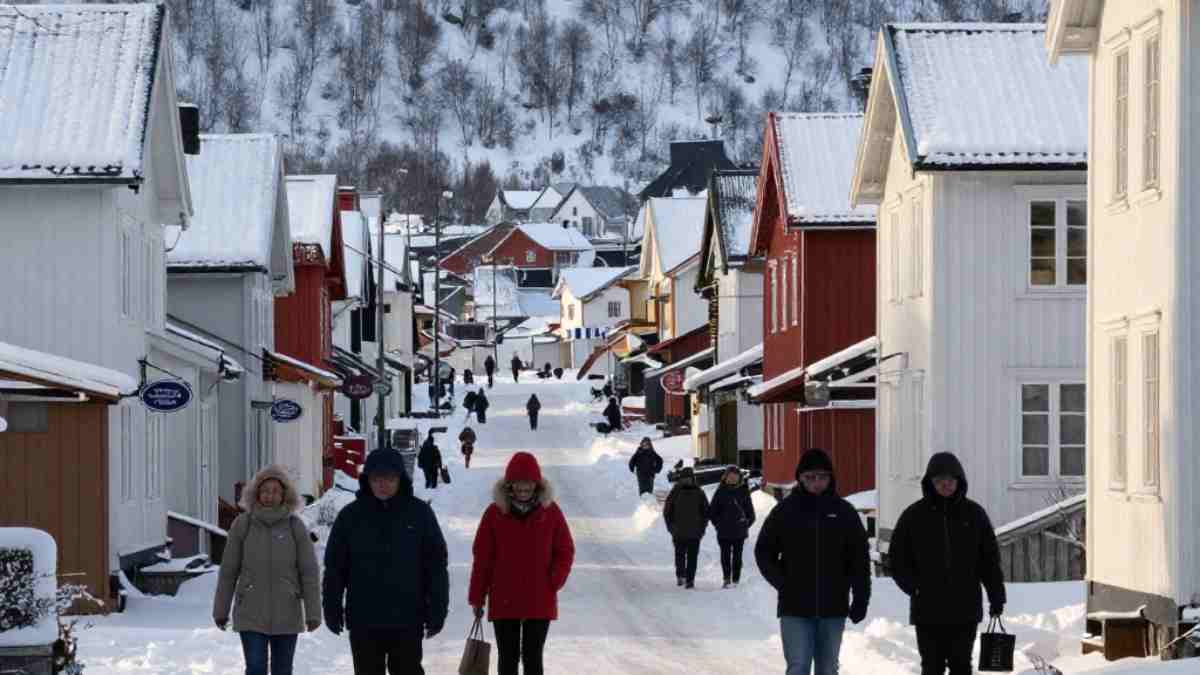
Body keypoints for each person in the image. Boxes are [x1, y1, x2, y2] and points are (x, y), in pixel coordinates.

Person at [323, 449, 449, 675]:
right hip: (364, 618)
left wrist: (437, 608)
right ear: (367, 480)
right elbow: (335, 567)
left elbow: (436, 566)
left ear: (400, 479)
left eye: (390, 478)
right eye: (376, 478)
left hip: (408, 617)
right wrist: (331, 606)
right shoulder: (351, 517)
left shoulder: (419, 514)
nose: (383, 484)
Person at [755, 448, 871, 675]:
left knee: (828, 668)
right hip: (794, 608)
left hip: (833, 607)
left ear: (830, 478)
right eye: (810, 477)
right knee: (798, 666)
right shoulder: (786, 511)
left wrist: (861, 598)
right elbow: (764, 552)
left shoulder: (844, 512)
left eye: (822, 477)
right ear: (800, 478)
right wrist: (784, 583)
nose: (816, 482)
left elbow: (859, 559)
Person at [888, 452, 1006, 675]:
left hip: (965, 608)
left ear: (959, 482)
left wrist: (996, 596)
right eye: (939, 480)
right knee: (931, 666)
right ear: (930, 483)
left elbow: (989, 560)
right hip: (928, 609)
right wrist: (914, 587)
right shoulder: (914, 516)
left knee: (961, 665)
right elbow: (897, 559)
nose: (945, 485)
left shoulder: (974, 514)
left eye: (950, 480)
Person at [469, 452, 575, 675]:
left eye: (528, 488)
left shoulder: (551, 512)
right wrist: (477, 597)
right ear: (509, 487)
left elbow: (565, 550)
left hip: (539, 597)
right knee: (508, 659)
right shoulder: (494, 514)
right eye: (518, 488)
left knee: (533, 658)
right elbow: (482, 558)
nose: (523, 493)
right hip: (504, 597)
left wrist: (554, 580)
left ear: (537, 487)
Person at [213, 465, 320, 675]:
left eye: (275, 491)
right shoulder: (242, 525)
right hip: (251, 611)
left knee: (282, 670)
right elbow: (228, 571)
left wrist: (313, 612)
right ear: (256, 494)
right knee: (255, 668)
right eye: (265, 491)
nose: (269, 496)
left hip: (287, 612)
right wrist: (221, 610)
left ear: (284, 495)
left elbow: (309, 571)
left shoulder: (294, 526)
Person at [709, 466, 756, 589]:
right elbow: (712, 512)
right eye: (730, 477)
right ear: (725, 477)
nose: (732, 479)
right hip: (723, 531)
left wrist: (745, 524)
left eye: (735, 477)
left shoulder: (743, 491)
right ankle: (726, 579)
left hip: (739, 532)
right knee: (725, 556)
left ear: (739, 478)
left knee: (737, 557)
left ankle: (736, 579)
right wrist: (718, 525)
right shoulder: (720, 491)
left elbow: (751, 513)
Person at [663, 467, 709, 589]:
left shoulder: (699, 492)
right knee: (680, 555)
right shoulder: (675, 492)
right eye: (684, 478)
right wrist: (671, 528)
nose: (686, 480)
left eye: (688, 478)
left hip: (695, 532)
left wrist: (702, 529)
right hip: (678, 532)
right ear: (681, 479)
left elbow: (705, 512)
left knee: (693, 557)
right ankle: (680, 575)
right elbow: (667, 512)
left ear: (692, 478)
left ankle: (690, 580)